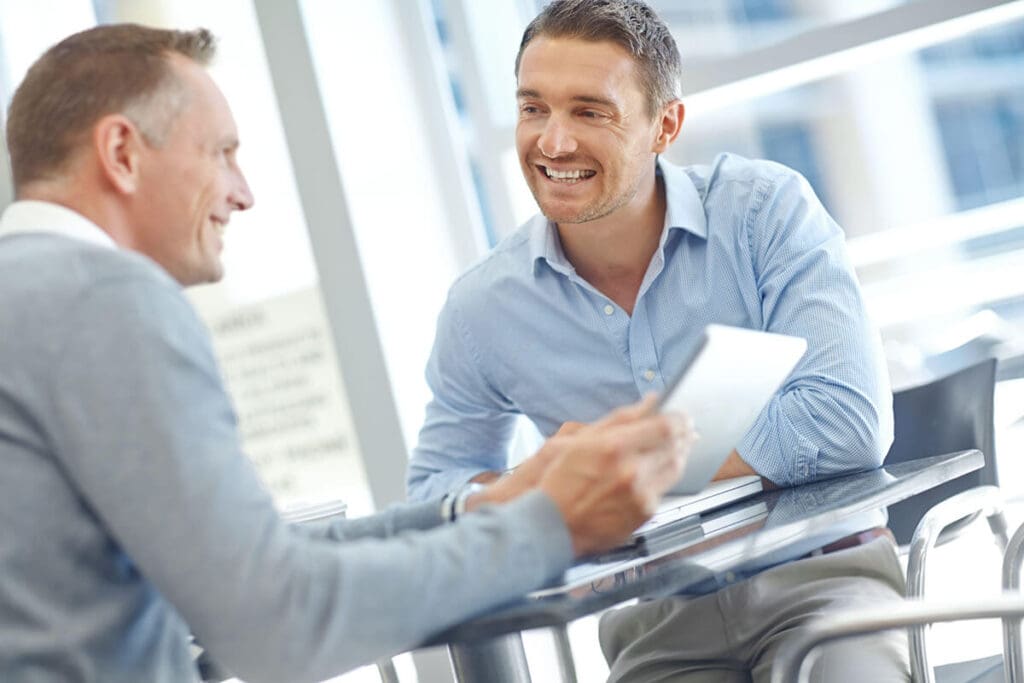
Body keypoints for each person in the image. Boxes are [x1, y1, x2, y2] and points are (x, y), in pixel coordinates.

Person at [0, 24, 696, 683]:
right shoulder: (106, 300)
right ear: (121, 153)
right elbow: (275, 615)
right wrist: (550, 528)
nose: (243, 193)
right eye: (222, 153)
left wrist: (481, 509)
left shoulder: (29, 296)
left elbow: (248, 561)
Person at [406, 0, 907, 680]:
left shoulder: (764, 214)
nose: (553, 142)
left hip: (824, 585)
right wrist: (537, 486)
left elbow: (847, 421)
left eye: (589, 111)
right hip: (658, 625)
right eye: (532, 108)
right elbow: (433, 494)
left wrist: (629, 472)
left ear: (664, 124)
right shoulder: (481, 309)